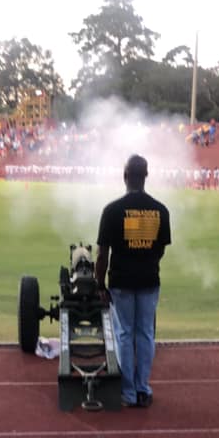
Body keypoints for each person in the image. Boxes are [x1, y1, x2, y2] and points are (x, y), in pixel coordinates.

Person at [95, 154, 171, 408]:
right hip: (149, 280)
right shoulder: (161, 210)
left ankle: (127, 393)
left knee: (124, 335)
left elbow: (102, 254)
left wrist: (99, 285)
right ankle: (143, 389)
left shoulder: (111, 210)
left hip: (121, 282)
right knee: (146, 334)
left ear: (125, 176)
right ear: (146, 176)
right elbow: (161, 250)